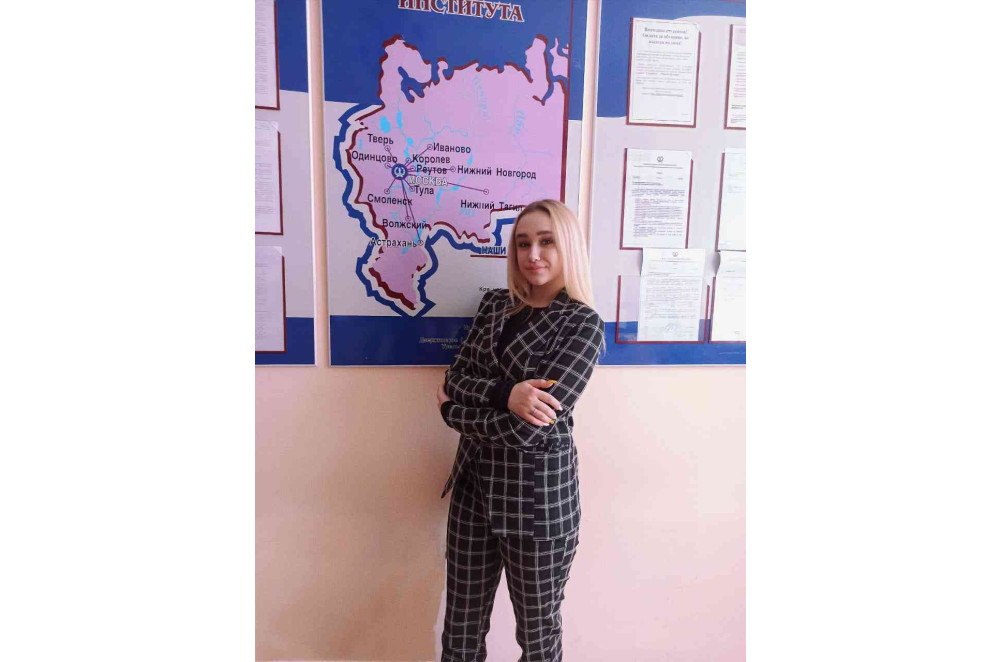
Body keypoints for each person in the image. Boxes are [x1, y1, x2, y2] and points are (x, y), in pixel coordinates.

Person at [435, 199, 605, 662]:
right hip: (474, 488)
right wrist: (507, 394)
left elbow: (528, 430)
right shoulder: (495, 305)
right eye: (523, 243)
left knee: (537, 637)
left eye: (547, 242)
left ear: (568, 247)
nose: (533, 254)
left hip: (537, 503)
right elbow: (456, 378)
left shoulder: (582, 324)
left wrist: (451, 415)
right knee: (460, 630)